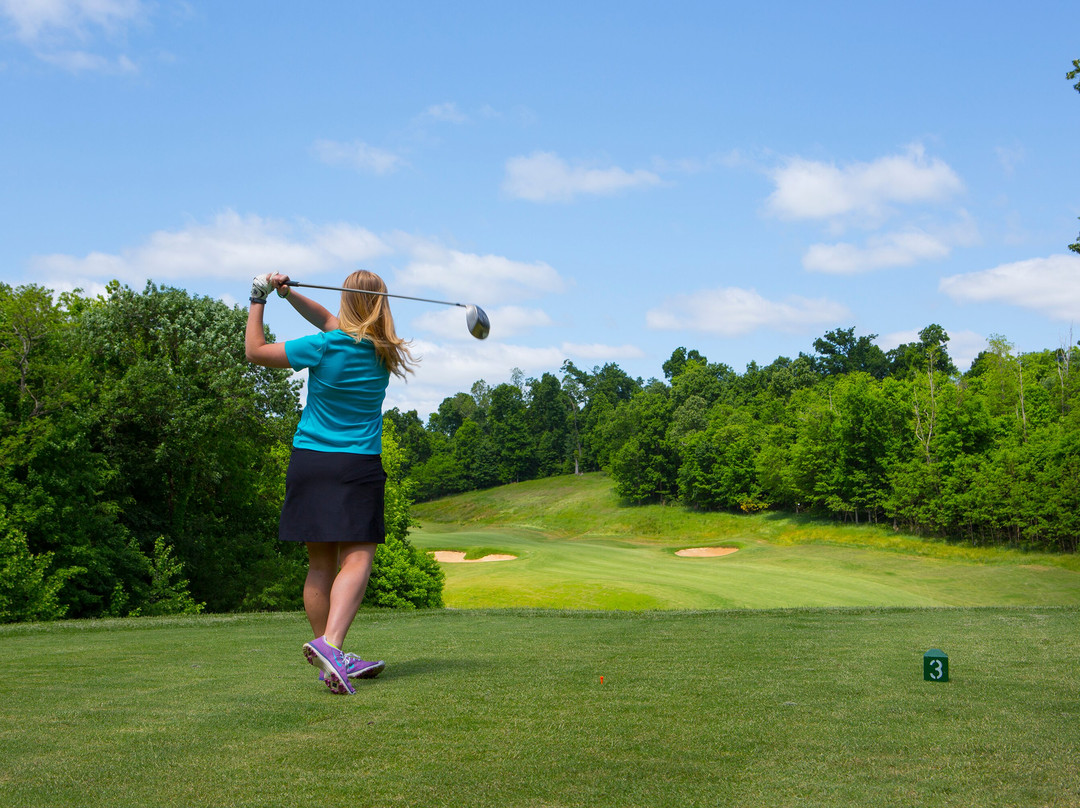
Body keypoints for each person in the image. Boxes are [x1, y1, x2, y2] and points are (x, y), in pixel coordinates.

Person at [245, 270, 416, 695]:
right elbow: (327, 319)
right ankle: (333, 647)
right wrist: (289, 295)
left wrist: (259, 298)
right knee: (357, 558)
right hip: (357, 465)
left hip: (311, 462)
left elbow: (255, 351)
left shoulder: (323, 345)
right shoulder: (386, 350)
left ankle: (330, 659)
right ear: (381, 304)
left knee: (320, 564)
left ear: (347, 300)